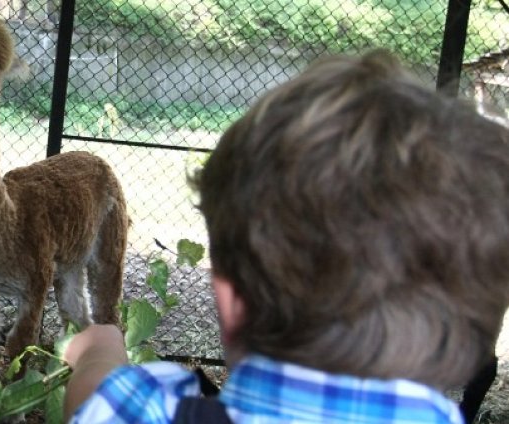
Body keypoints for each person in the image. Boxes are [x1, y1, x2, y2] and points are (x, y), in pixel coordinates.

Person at [62, 50, 509, 423]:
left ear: (232, 301)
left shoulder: (153, 410)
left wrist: (97, 352)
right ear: (475, 335)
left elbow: (96, 397)